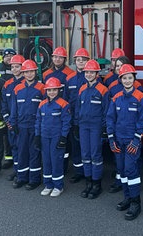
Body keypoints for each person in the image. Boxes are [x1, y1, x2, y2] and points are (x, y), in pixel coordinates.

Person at [106, 64, 143, 221]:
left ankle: (136, 202)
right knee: (122, 170)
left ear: (134, 79)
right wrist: (111, 138)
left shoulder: (140, 97)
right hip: (119, 140)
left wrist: (137, 139)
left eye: (130, 77)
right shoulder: (116, 98)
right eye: (125, 78)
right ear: (120, 79)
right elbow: (110, 118)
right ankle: (127, 197)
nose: (127, 80)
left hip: (132, 141)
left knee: (131, 170)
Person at [9, 59, 46, 190]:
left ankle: (34, 179)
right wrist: (13, 124)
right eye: (26, 72)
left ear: (35, 72)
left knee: (34, 152)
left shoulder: (42, 88)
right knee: (22, 152)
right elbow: (14, 109)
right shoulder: (17, 89)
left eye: (31, 71)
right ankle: (22, 177)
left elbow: (45, 108)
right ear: (23, 73)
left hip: (35, 126)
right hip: (21, 126)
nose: (29, 74)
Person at [76, 60, 109, 199]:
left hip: (96, 127)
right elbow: (78, 109)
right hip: (83, 126)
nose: (89, 74)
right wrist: (76, 124)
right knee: (85, 154)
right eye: (87, 72)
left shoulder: (103, 90)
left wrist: (104, 128)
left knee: (95, 155)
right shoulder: (82, 89)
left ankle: (96, 184)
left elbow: (106, 110)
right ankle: (88, 182)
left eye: (92, 72)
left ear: (97, 74)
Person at [35, 77, 71, 197]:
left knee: (56, 161)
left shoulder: (63, 104)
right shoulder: (42, 104)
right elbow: (38, 121)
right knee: (46, 161)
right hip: (45, 137)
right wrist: (37, 136)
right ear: (46, 91)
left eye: (54, 90)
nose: (51, 92)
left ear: (59, 90)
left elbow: (66, 122)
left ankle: (58, 186)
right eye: (49, 90)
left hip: (56, 137)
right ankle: (48, 185)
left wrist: (63, 137)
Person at [64, 48, 91, 184]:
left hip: (88, 119)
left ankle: (89, 173)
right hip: (74, 119)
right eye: (78, 60)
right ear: (75, 62)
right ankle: (79, 172)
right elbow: (65, 100)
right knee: (76, 147)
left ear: (88, 61)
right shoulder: (69, 79)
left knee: (88, 147)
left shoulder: (92, 77)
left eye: (83, 59)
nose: (80, 62)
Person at [0, 54, 26, 182]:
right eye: (13, 67)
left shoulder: (27, 83)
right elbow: (3, 103)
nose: (15, 69)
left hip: (24, 123)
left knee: (23, 149)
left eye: (18, 66)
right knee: (14, 147)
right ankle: (17, 171)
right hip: (11, 122)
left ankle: (23, 172)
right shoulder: (7, 84)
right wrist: (7, 120)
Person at [0, 48, 17, 170]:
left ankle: (15, 158)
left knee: (13, 134)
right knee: (5, 135)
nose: (9, 58)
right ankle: (8, 157)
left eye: (11, 55)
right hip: (1, 105)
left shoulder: (17, 69)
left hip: (12, 104)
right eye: (7, 56)